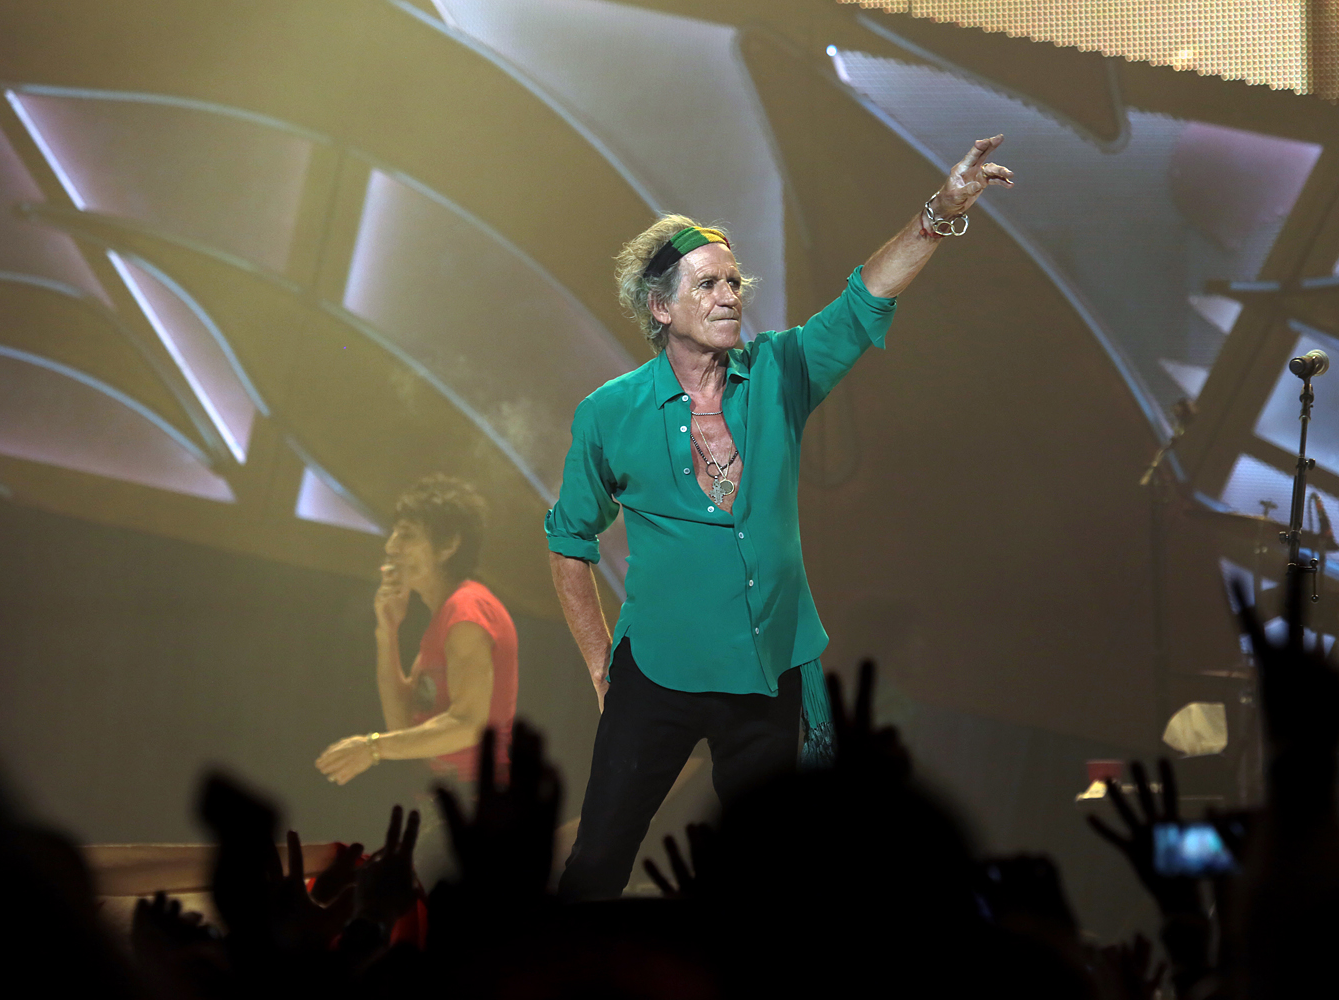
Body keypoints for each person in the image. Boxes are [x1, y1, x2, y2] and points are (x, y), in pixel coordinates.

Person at [545, 135, 1014, 899]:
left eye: (735, 281)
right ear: (661, 307)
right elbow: (569, 541)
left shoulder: (781, 372)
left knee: (768, 879)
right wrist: (602, 664)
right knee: (597, 864)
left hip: (764, 675)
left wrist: (939, 212)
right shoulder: (609, 413)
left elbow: (863, 301)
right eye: (708, 284)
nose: (730, 295)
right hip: (657, 673)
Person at [316, 474, 518, 786]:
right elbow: (403, 728)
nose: (391, 547)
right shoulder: (447, 614)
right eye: (394, 535)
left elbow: (468, 725)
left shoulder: (467, 610)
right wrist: (387, 632)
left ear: (448, 545)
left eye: (407, 535)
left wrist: (371, 748)